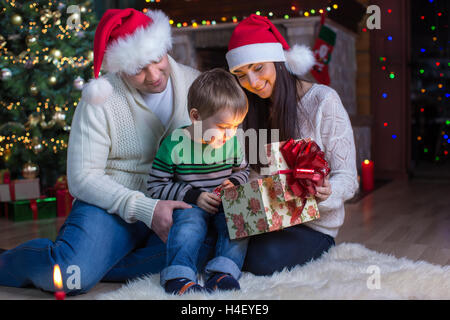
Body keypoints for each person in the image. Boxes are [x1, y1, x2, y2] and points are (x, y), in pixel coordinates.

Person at [0, 9, 212, 295]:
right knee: (68, 275)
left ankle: (100, 260)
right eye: (138, 68)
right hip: (111, 205)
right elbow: (82, 178)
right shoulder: (100, 99)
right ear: (119, 66)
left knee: (216, 249)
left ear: (164, 48)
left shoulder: (196, 83)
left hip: (174, 202)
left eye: (156, 60)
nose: (153, 76)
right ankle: (11, 261)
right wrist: (145, 209)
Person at [226, 14, 359, 275]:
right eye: (241, 75)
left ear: (278, 61)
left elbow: (349, 178)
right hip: (264, 218)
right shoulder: (247, 109)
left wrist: (327, 192)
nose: (252, 82)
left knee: (260, 258)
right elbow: (247, 172)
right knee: (213, 233)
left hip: (313, 227)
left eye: (258, 68)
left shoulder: (323, 101)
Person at [147, 69, 250, 295]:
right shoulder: (174, 144)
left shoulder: (232, 142)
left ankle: (223, 271)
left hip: (223, 203)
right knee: (189, 225)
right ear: (196, 117)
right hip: (192, 204)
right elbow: (155, 187)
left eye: (236, 126)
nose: (230, 134)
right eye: (224, 127)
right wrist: (194, 196)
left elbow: (244, 170)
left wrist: (233, 181)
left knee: (241, 222)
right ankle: (179, 275)